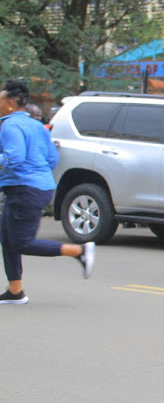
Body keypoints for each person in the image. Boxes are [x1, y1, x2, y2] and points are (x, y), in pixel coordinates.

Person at [0, 79, 95, 304]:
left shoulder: (9, 125)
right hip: (38, 186)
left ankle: (79, 251)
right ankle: (15, 291)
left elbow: (14, 157)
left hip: (25, 189)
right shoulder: (35, 124)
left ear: (11, 103)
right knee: (6, 237)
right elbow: (52, 158)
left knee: (21, 242)